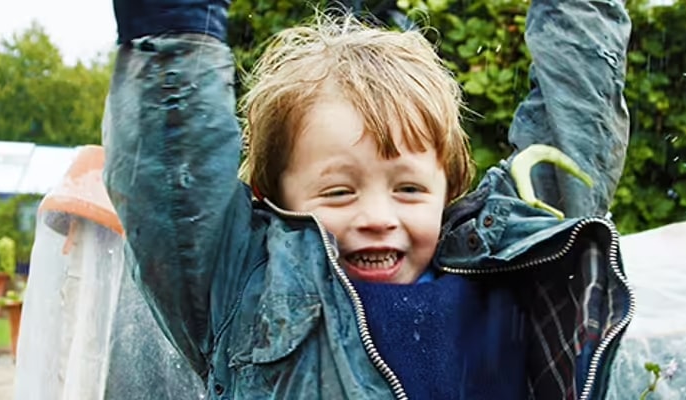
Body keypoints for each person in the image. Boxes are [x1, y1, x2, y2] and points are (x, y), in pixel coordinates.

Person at [103, 0, 634, 398]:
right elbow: (176, 167)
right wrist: (173, 21)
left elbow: (576, 116)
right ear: (271, 198)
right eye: (338, 191)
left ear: (448, 189)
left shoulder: (519, 257)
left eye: (408, 189)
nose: (378, 218)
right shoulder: (244, 287)